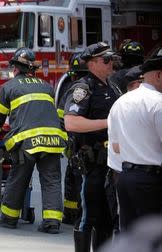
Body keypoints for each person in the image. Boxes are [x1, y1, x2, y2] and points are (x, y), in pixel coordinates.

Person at [0, 47, 66, 234]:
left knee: (19, 178)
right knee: (52, 180)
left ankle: (9, 218)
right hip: (53, 141)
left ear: (15, 68)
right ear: (33, 69)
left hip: (26, 141)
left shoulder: (8, 87)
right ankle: (52, 221)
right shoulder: (47, 86)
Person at [64, 42, 121, 251]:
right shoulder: (83, 87)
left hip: (111, 161)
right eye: (106, 60)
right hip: (91, 162)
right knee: (88, 215)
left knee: (107, 216)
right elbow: (71, 122)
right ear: (93, 63)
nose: (111, 64)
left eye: (111, 59)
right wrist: (109, 123)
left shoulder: (112, 86)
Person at [108, 50, 162, 231]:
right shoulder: (158, 102)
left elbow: (115, 147)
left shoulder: (121, 102)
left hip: (125, 177)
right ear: (159, 75)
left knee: (130, 236)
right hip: (151, 179)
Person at [56, 53, 89, 225]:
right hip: (96, 144)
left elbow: (61, 117)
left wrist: (66, 143)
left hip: (76, 144)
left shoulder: (73, 89)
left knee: (73, 179)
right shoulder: (102, 86)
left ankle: (71, 214)